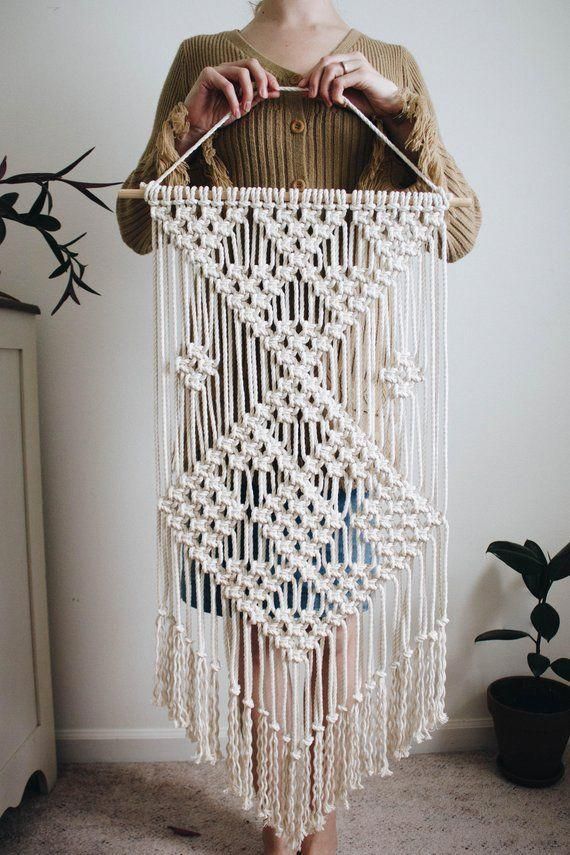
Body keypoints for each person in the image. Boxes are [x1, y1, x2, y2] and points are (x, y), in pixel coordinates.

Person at [116, 3, 481, 853]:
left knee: (334, 624)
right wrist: (191, 122)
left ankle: (318, 811)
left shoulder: (390, 62)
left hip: (347, 401)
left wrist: (396, 109)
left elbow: (457, 230)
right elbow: (139, 224)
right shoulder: (200, 58)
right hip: (236, 395)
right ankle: (277, 811)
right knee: (250, 618)